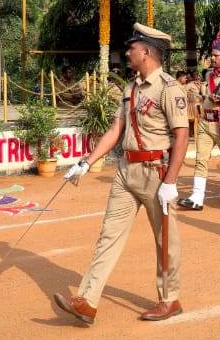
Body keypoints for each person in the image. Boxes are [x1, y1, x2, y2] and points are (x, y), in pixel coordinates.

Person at [56, 23, 189, 325]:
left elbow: (182, 135)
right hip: (126, 172)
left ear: (146, 52)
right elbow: (117, 129)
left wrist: (170, 182)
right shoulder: (131, 88)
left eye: (132, 48)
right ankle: (87, 301)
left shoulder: (169, 88)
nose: (128, 52)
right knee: (108, 236)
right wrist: (87, 162)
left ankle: (170, 299)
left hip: (156, 173)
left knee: (165, 240)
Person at [178, 29, 220, 211]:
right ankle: (197, 197)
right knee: (201, 159)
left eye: (216, 55)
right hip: (205, 122)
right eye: (212, 55)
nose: (213, 58)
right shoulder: (209, 75)